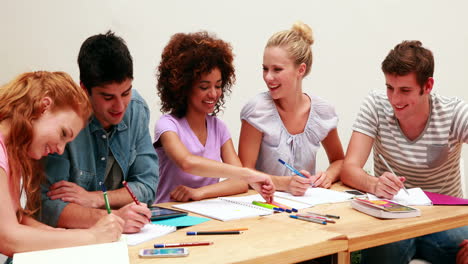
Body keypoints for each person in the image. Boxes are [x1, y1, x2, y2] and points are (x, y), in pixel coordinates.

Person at [341, 40, 468, 264]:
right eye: (390, 88)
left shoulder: (454, 113)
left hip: (444, 219)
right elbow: (349, 168)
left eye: (405, 90)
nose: (394, 99)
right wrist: (374, 184)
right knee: (378, 254)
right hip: (391, 216)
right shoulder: (376, 105)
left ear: (427, 86)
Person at [40, 31, 158, 234]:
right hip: (73, 239)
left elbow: (147, 186)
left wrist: (94, 199)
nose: (120, 106)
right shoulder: (63, 121)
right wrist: (112, 219)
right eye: (108, 97)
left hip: (125, 236)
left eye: (126, 92)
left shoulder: (137, 109)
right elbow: (48, 206)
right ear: (84, 89)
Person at [0, 71, 123, 261]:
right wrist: (93, 236)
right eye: (63, 133)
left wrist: (56, 236)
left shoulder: (12, 155)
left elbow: (17, 218)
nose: (60, 149)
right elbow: (7, 238)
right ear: (43, 107)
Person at [154, 31, 275, 203]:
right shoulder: (167, 125)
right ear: (184, 87)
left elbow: (240, 184)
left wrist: (199, 193)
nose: (213, 94)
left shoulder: (219, 128)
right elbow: (187, 163)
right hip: (169, 217)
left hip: (205, 216)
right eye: (204, 87)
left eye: (218, 86)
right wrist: (247, 173)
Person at [238, 21, 344, 196]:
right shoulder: (257, 111)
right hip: (264, 207)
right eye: (265, 69)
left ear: (300, 70)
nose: (268, 77)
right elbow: (244, 173)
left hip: (306, 206)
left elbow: (339, 160)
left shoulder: (322, 112)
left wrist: (328, 176)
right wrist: (284, 183)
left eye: (277, 69)